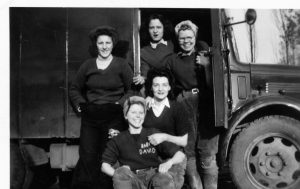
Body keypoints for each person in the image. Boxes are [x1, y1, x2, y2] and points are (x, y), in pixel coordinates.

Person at [69, 26, 133, 189]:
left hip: (113, 116)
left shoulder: (121, 64)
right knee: (88, 156)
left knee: (108, 156)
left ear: (113, 45)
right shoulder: (87, 65)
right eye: (101, 43)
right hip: (91, 116)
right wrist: (81, 106)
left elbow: (132, 89)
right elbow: (74, 88)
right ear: (96, 45)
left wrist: (118, 105)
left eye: (108, 43)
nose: (104, 46)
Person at [166, 20, 219, 189]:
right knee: (188, 152)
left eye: (189, 37)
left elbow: (216, 85)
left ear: (195, 37)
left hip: (206, 105)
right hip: (184, 105)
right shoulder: (172, 60)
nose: (186, 41)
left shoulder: (206, 56)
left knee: (207, 151)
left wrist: (208, 66)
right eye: (182, 38)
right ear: (177, 39)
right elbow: (160, 79)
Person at [101, 96, 186, 189]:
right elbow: (104, 165)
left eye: (141, 113)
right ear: (126, 115)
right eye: (133, 112)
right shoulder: (118, 139)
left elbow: (180, 155)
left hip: (154, 177)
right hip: (133, 179)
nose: (138, 116)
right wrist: (120, 176)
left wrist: (169, 163)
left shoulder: (153, 133)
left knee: (163, 178)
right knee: (121, 172)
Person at [133, 14, 175, 86]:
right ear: (147, 30)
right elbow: (145, 72)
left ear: (164, 28)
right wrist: (143, 78)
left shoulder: (173, 44)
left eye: (158, 27)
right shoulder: (143, 52)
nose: (155, 31)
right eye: (151, 28)